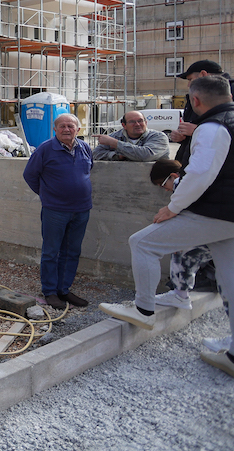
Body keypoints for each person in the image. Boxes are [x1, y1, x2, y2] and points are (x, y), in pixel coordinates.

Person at [100, 75, 234, 378]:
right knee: (231, 279)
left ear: (196, 101)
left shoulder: (213, 128)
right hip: (229, 217)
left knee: (143, 243)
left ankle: (143, 310)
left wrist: (172, 208)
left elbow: (199, 175)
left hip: (217, 212)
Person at [147, 161, 232, 354]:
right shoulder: (205, 177)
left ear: (173, 178)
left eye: (164, 186)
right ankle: (180, 294)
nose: (167, 191)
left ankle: (180, 295)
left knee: (228, 285)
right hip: (223, 229)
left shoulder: (183, 185)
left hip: (221, 231)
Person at [22, 113, 93, 310]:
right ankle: (50, 292)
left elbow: (88, 171)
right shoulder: (45, 149)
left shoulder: (85, 148)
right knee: (51, 252)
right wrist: (48, 195)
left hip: (81, 209)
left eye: (71, 126)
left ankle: (64, 289)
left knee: (72, 251)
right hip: (55, 211)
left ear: (78, 129)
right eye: (61, 126)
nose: (66, 129)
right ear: (55, 129)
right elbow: (29, 175)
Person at [172, 60, 234, 166]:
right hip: (195, 158)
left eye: (190, 79)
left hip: (217, 166)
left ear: (203, 74)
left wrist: (199, 131)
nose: (188, 85)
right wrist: (181, 136)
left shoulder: (230, 91)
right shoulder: (195, 95)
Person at [92, 110, 169, 161]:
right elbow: (96, 153)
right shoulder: (116, 136)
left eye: (140, 121)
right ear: (124, 125)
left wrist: (115, 143)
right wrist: (116, 156)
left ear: (146, 122)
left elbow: (146, 155)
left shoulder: (159, 137)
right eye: (132, 122)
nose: (137, 124)